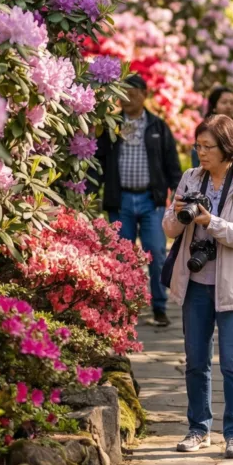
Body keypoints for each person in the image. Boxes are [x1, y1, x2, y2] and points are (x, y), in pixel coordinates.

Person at [163, 113, 233, 459]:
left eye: (208, 147)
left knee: (232, 363)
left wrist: (213, 222)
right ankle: (198, 428)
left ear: (227, 149)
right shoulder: (191, 178)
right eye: (197, 146)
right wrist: (178, 214)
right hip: (195, 282)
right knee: (195, 360)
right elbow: (169, 228)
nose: (200, 153)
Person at [96, 72, 182, 328]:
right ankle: (122, 309)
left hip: (151, 201)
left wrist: (178, 190)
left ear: (144, 95)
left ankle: (159, 306)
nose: (127, 99)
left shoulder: (158, 127)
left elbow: (172, 164)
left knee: (156, 252)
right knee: (121, 256)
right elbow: (98, 162)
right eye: (124, 95)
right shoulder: (112, 125)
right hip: (120, 200)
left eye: (133, 94)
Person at [191, 86, 233, 170]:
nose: (229, 106)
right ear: (214, 107)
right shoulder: (205, 129)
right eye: (224, 102)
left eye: (232, 103)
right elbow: (196, 156)